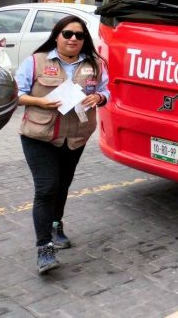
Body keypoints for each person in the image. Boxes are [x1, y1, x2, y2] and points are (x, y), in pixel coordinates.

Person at [15, 16, 109, 274]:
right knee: (47, 188)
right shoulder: (36, 61)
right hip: (39, 135)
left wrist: (99, 97)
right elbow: (16, 94)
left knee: (63, 184)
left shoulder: (95, 65)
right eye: (67, 34)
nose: (73, 39)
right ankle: (44, 248)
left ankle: (56, 224)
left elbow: (107, 90)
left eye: (79, 36)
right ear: (57, 36)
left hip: (76, 136)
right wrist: (40, 102)